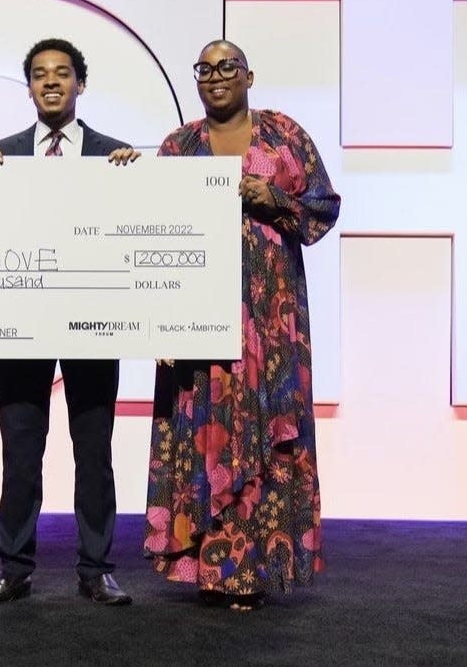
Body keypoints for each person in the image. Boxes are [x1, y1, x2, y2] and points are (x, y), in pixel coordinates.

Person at [143, 39, 340, 611]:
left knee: (264, 435)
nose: (215, 76)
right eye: (203, 69)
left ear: (249, 75)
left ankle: (252, 570)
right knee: (203, 430)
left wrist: (272, 195)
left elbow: (323, 210)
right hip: (197, 320)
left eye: (226, 67)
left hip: (271, 322)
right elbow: (153, 235)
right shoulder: (179, 146)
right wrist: (158, 321)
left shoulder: (283, 135)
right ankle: (209, 567)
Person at [0, 38, 139, 607]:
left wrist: (139, 183)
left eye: (62, 73)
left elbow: (138, 236)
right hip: (19, 325)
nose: (50, 82)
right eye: (39, 74)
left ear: (80, 84)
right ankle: (13, 568)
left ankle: (97, 569)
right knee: (20, 451)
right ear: (29, 87)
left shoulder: (118, 157)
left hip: (93, 322)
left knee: (94, 451)